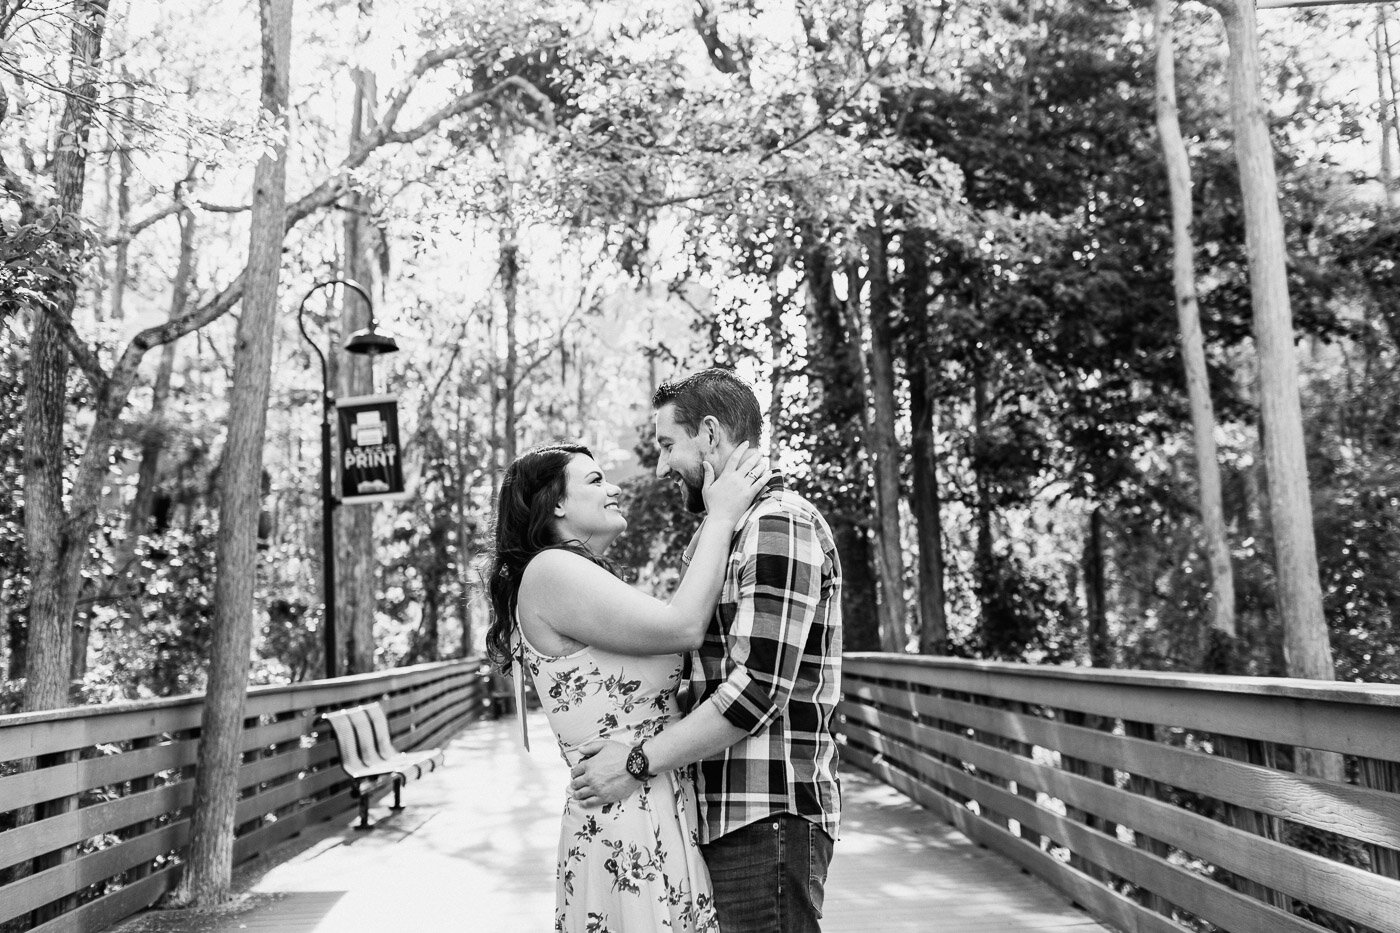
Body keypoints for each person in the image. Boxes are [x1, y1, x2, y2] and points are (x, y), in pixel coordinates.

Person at [570, 368, 844, 933]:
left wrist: (638, 760)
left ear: (711, 434)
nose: (664, 465)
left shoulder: (778, 524)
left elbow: (757, 691)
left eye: (670, 444)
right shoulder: (728, 531)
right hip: (726, 815)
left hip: (766, 815)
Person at [485, 439, 770, 933]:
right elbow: (683, 628)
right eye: (594, 480)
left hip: (654, 803)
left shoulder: (576, 574)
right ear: (554, 503)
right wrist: (721, 517)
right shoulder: (551, 571)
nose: (613, 487)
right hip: (624, 820)